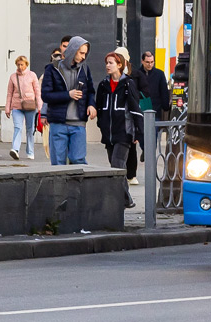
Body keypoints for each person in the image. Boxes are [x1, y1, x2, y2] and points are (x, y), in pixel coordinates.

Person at [96, 51, 142, 207]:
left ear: (120, 65)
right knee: (116, 167)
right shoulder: (103, 85)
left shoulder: (128, 84)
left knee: (117, 165)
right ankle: (124, 198)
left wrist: (138, 133)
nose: (107, 66)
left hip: (124, 132)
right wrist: (101, 125)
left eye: (111, 63)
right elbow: (99, 107)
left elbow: (136, 110)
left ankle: (124, 199)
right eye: (106, 63)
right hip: (108, 134)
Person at [42, 36, 95, 165]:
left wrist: (91, 105)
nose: (83, 57)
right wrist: (68, 95)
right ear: (72, 50)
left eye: (85, 53)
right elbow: (46, 96)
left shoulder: (85, 69)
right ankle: (59, 186)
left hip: (79, 123)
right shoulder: (52, 69)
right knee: (58, 163)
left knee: (78, 160)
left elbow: (91, 91)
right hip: (58, 123)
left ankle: (79, 186)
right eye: (81, 53)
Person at [6, 55, 41, 161]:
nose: (20, 67)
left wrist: (40, 106)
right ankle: (15, 149)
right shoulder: (13, 77)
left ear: (26, 65)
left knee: (30, 130)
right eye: (18, 64)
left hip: (30, 106)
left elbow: (37, 91)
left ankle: (30, 152)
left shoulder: (32, 75)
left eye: (22, 64)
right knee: (18, 127)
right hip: (17, 106)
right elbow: (9, 93)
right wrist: (8, 108)